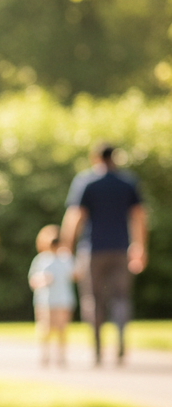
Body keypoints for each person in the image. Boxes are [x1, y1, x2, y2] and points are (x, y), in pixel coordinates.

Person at [61, 144, 147, 366]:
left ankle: (98, 350)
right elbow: (138, 217)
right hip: (120, 249)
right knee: (120, 299)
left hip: (92, 250)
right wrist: (139, 247)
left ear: (95, 158)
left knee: (93, 299)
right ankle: (120, 346)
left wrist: (66, 247)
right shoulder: (127, 182)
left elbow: (75, 216)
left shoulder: (86, 182)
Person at [28, 225, 77, 368]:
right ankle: (45, 355)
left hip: (63, 300)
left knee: (62, 329)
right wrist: (43, 280)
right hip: (45, 301)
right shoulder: (41, 260)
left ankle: (61, 357)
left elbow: (75, 275)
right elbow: (33, 280)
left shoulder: (66, 258)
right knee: (45, 329)